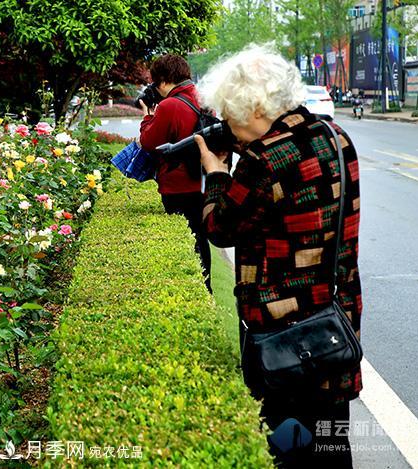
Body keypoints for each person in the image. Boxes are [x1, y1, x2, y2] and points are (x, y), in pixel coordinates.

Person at [195, 45, 362, 468]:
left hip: (284, 334)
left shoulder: (265, 157)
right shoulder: (336, 136)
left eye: (230, 117)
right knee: (330, 440)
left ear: (253, 107)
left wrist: (216, 174)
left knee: (289, 447)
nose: (229, 130)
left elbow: (220, 228)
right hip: (333, 318)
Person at [138, 53, 212, 293]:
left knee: (187, 241)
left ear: (162, 79)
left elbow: (149, 141)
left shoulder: (170, 105)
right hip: (203, 179)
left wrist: (148, 117)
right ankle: (206, 287)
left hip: (178, 185)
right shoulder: (203, 98)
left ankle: (192, 290)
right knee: (200, 237)